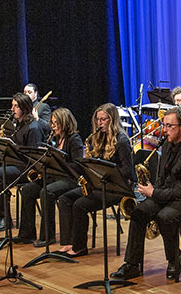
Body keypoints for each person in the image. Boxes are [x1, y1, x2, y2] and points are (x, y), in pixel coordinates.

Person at [112, 106, 181, 282]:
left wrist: (154, 192)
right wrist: (151, 189)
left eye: (169, 126)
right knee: (138, 212)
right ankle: (132, 264)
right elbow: (164, 179)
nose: (164, 130)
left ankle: (173, 259)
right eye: (164, 125)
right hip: (169, 195)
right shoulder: (169, 145)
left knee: (165, 217)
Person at [56, 103, 133, 257]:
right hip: (99, 185)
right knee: (64, 198)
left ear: (112, 120)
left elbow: (128, 171)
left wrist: (106, 173)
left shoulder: (122, 141)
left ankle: (79, 247)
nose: (100, 123)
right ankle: (68, 241)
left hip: (116, 188)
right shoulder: (99, 138)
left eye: (103, 119)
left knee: (80, 205)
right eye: (98, 120)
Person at [0, 93, 47, 232]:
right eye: (12, 105)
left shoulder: (33, 128)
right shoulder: (20, 125)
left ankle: (5, 219)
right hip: (15, 164)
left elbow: (33, 158)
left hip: (26, 169)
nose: (12, 109)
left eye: (16, 106)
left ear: (24, 108)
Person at [15, 107, 83, 246]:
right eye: (52, 123)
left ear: (64, 123)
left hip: (70, 179)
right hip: (56, 177)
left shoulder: (74, 139)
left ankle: (47, 236)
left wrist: (58, 162)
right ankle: (26, 234)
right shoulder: (57, 138)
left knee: (47, 192)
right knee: (27, 190)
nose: (52, 126)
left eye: (55, 123)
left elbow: (77, 166)